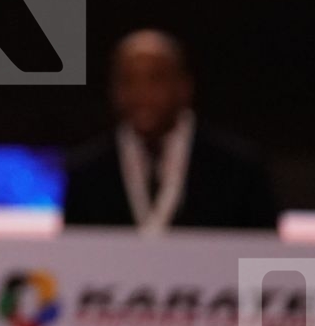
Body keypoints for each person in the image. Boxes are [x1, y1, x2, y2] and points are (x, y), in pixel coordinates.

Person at [64, 29, 279, 231]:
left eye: (155, 79)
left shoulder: (239, 170)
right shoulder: (86, 172)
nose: (141, 94)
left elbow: (265, 254)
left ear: (184, 87)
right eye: (128, 81)